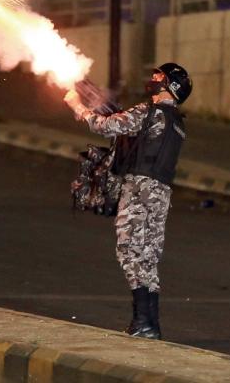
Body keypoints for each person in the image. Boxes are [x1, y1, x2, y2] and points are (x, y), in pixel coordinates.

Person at [64, 63, 192, 339]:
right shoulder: (176, 122)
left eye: (160, 77)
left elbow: (106, 126)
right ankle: (149, 324)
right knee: (148, 256)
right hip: (161, 193)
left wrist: (78, 106)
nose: (154, 79)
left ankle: (143, 323)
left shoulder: (148, 111)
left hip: (139, 189)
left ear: (171, 86)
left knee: (130, 251)